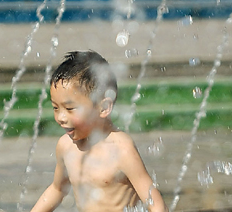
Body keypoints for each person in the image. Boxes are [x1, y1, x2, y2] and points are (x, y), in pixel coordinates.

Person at [31, 51, 168, 212]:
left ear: (103, 107)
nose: (60, 117)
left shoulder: (121, 149)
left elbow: (154, 201)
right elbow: (57, 189)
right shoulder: (65, 146)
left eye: (69, 109)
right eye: (55, 108)